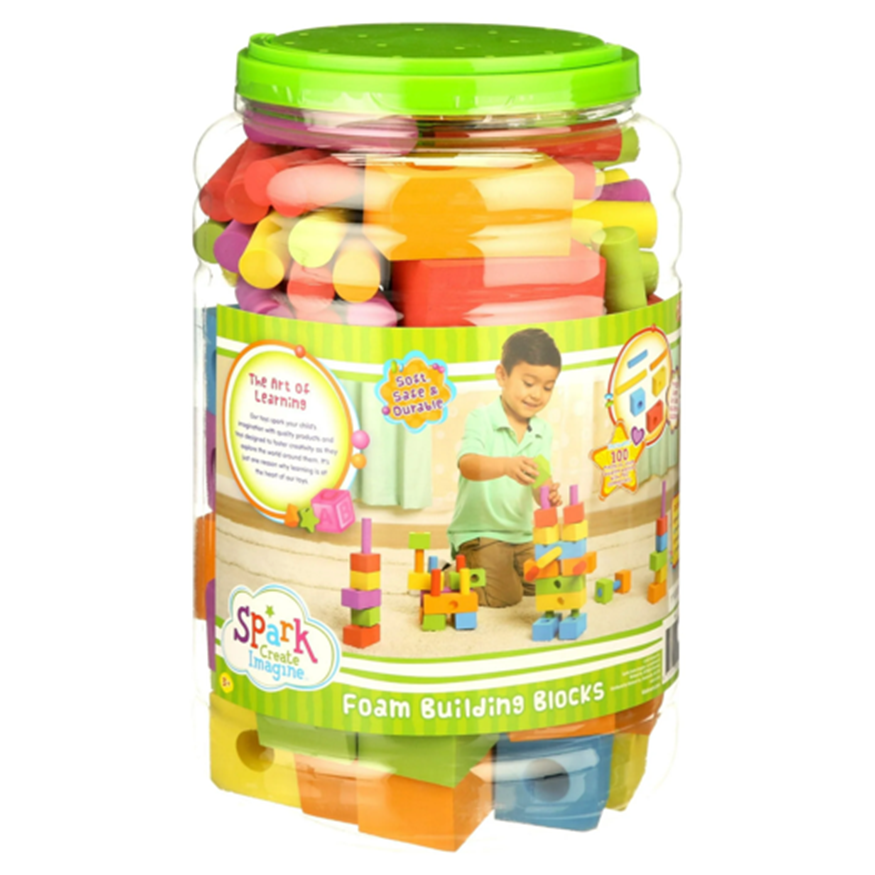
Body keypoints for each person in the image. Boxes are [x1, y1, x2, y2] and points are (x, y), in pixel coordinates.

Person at [448, 328, 562, 607]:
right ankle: (455, 572)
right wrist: (505, 466)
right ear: (502, 375)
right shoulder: (482, 418)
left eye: (547, 387)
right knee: (505, 596)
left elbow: (538, 479)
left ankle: (499, 569)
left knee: (550, 582)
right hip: (481, 533)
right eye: (529, 383)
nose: (537, 395)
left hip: (521, 534)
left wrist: (547, 494)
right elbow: (468, 465)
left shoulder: (543, 431)